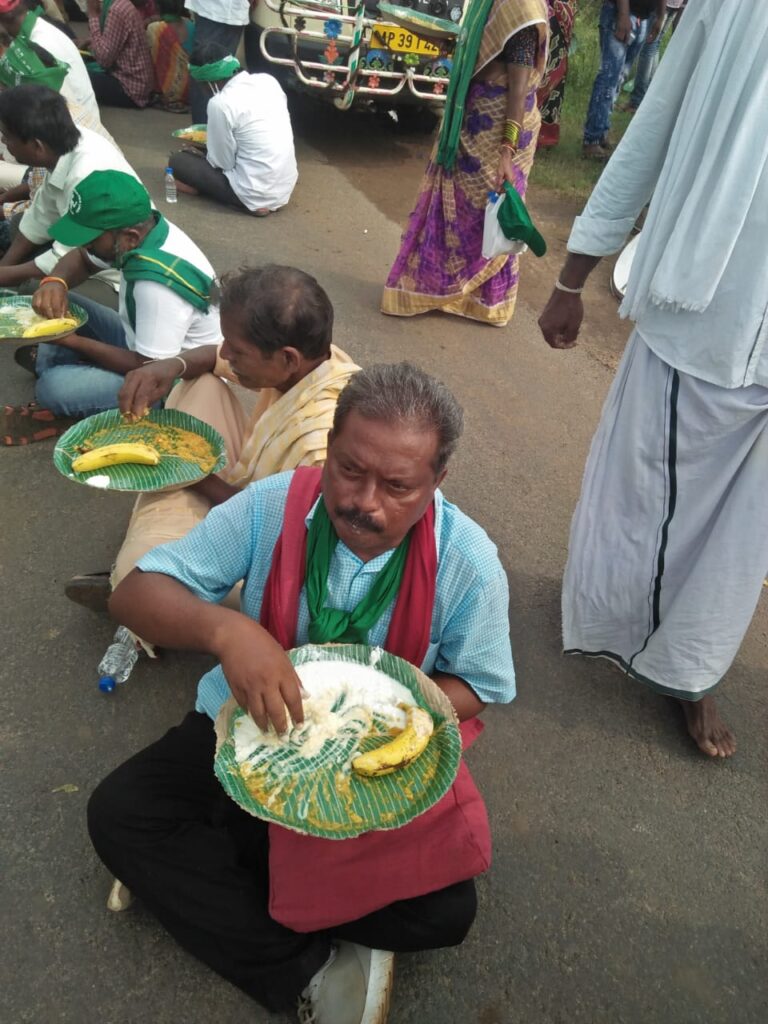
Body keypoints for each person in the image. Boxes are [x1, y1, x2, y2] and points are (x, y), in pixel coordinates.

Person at [87, 361, 514, 1023]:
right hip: (244, 725)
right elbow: (134, 594)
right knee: (119, 814)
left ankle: (212, 882)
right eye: (348, 469)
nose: (363, 503)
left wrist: (387, 713)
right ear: (331, 448)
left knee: (447, 914)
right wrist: (227, 631)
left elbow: (477, 686)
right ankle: (308, 969)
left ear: (437, 480)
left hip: (362, 758)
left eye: (398, 485)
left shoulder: (469, 561)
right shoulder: (273, 504)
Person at [538, 0, 768, 758]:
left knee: (745, 537)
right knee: (647, 494)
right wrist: (573, 276)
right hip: (711, 310)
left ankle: (692, 670)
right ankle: (611, 619)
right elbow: (655, 125)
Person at [66, 264, 360, 620]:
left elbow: (272, 533)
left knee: (137, 567)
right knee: (199, 383)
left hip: (275, 561)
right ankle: (155, 571)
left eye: (237, 351)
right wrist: (169, 367)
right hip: (252, 488)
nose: (227, 355)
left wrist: (194, 474)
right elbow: (210, 357)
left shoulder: (320, 449)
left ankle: (143, 590)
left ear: (287, 359)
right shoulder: (316, 356)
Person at [3, 168, 220, 443]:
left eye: (91, 238)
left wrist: (74, 343)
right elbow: (81, 258)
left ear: (129, 237)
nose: (85, 244)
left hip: (172, 382)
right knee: (60, 304)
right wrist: (55, 280)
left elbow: (149, 366)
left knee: (51, 388)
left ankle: (68, 397)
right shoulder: (143, 231)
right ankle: (71, 373)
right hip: (144, 341)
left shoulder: (156, 287)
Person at [381, 0, 549, 327]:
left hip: (502, 129)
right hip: (473, 118)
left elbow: (518, 88)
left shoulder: (521, 8)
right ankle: (446, 291)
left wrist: (506, 153)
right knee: (455, 207)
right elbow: (478, 48)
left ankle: (483, 300)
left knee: (487, 212)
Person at [0, 86, 139, 291]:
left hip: (112, 275)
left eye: (6, 136)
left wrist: (6, 275)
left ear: (37, 146)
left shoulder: (85, 176)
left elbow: (67, 257)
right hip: (83, 249)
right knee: (20, 225)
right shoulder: (63, 144)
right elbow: (40, 216)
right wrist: (5, 267)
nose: (3, 141)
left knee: (34, 291)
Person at [168, 44, 297, 215]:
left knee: (177, 161)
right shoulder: (268, 81)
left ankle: (242, 201)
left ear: (208, 82)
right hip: (284, 188)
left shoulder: (220, 104)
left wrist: (202, 154)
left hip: (251, 194)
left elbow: (223, 163)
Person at [0, 0, 111, 140]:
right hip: (81, 123)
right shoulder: (40, 28)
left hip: (75, 134)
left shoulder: (35, 48)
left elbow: (39, 112)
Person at [581, 0, 665, 160]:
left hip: (644, 17)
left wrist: (660, 16)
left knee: (619, 77)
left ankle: (600, 131)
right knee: (609, 77)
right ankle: (592, 138)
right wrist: (623, 15)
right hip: (620, 13)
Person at [184, 0, 249, 124]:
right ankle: (202, 130)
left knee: (225, 74)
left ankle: (218, 127)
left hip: (236, 12)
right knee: (203, 70)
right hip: (211, 10)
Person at [618, 0, 686, 113]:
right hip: (676, 5)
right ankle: (648, 98)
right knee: (654, 46)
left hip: (662, 5)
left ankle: (637, 101)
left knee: (648, 48)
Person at [85, 0, 155, 108]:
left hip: (129, 88)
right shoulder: (121, 5)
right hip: (137, 84)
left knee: (74, 75)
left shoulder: (117, 9)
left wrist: (93, 15)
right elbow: (111, 40)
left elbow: (104, 59)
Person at [536, 0, 577, 149]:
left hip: (564, 13)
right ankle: (525, 126)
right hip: (544, 9)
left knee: (557, 68)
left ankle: (544, 132)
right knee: (539, 65)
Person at [146, 0, 194, 111]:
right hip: (191, 89)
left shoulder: (155, 28)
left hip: (171, 92)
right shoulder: (190, 24)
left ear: (158, 6)